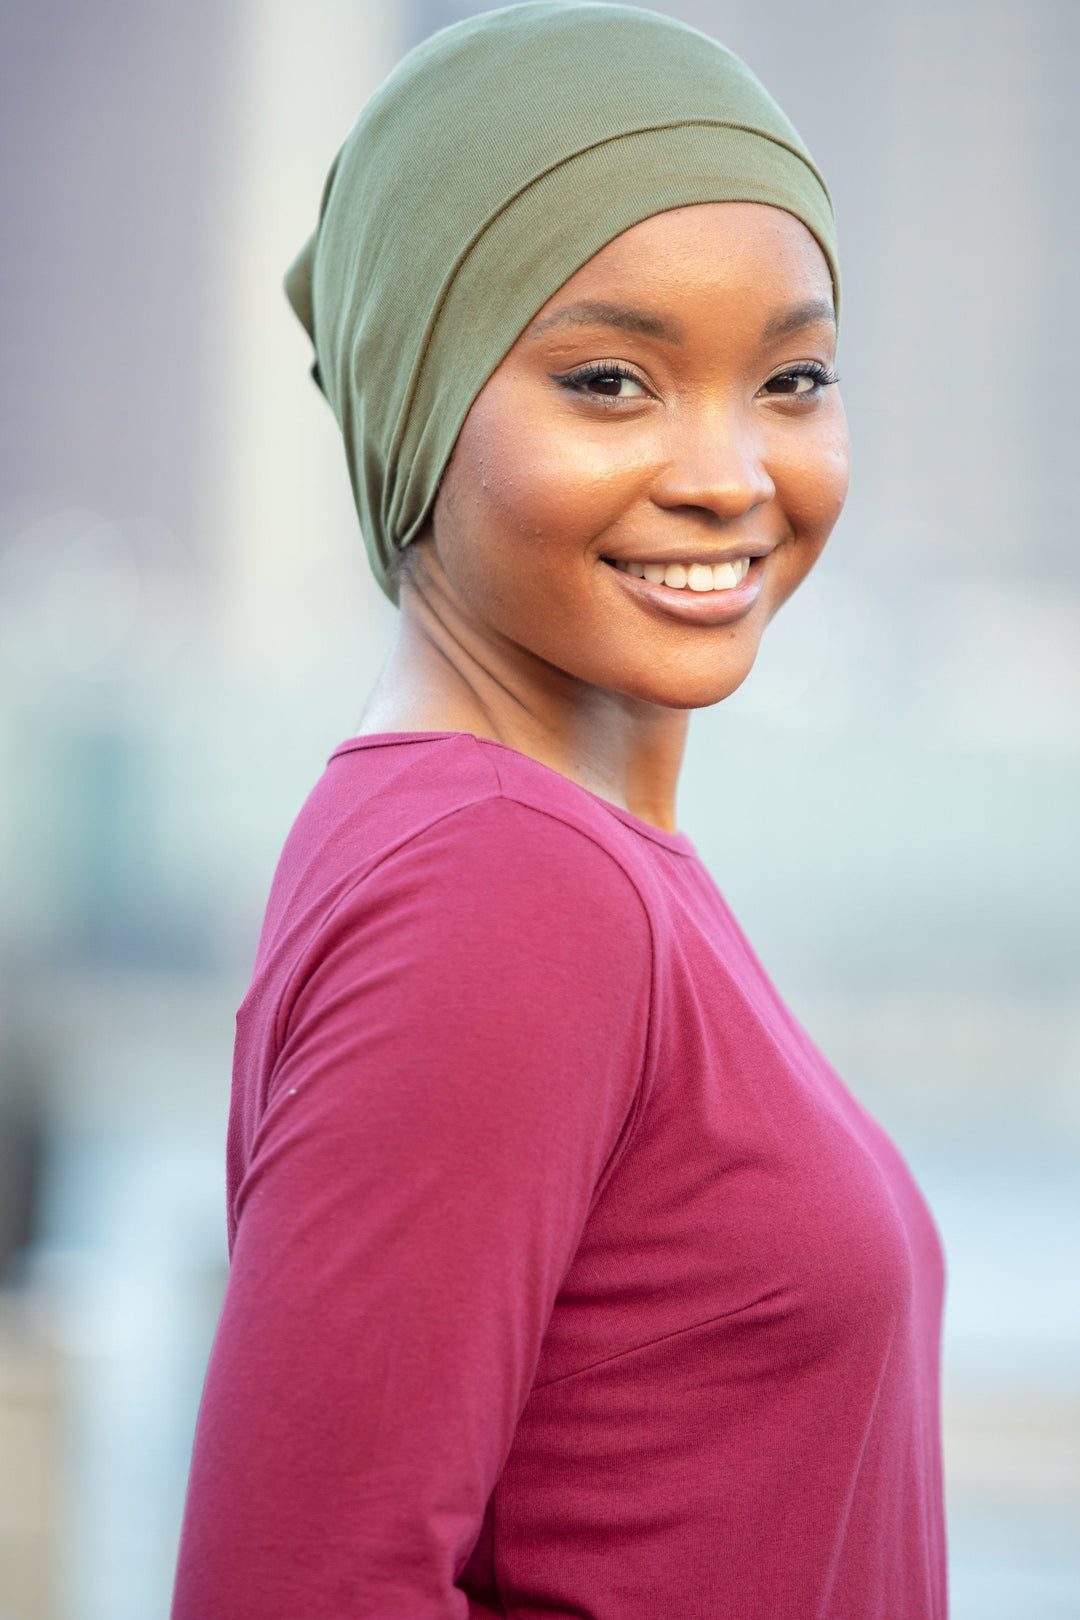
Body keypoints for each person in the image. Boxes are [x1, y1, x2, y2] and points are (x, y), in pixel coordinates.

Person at [171, 5, 947, 1616]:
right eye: (612, 381)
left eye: (791, 377)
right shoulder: (502, 884)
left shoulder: (546, 859)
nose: (731, 469)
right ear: (418, 400)